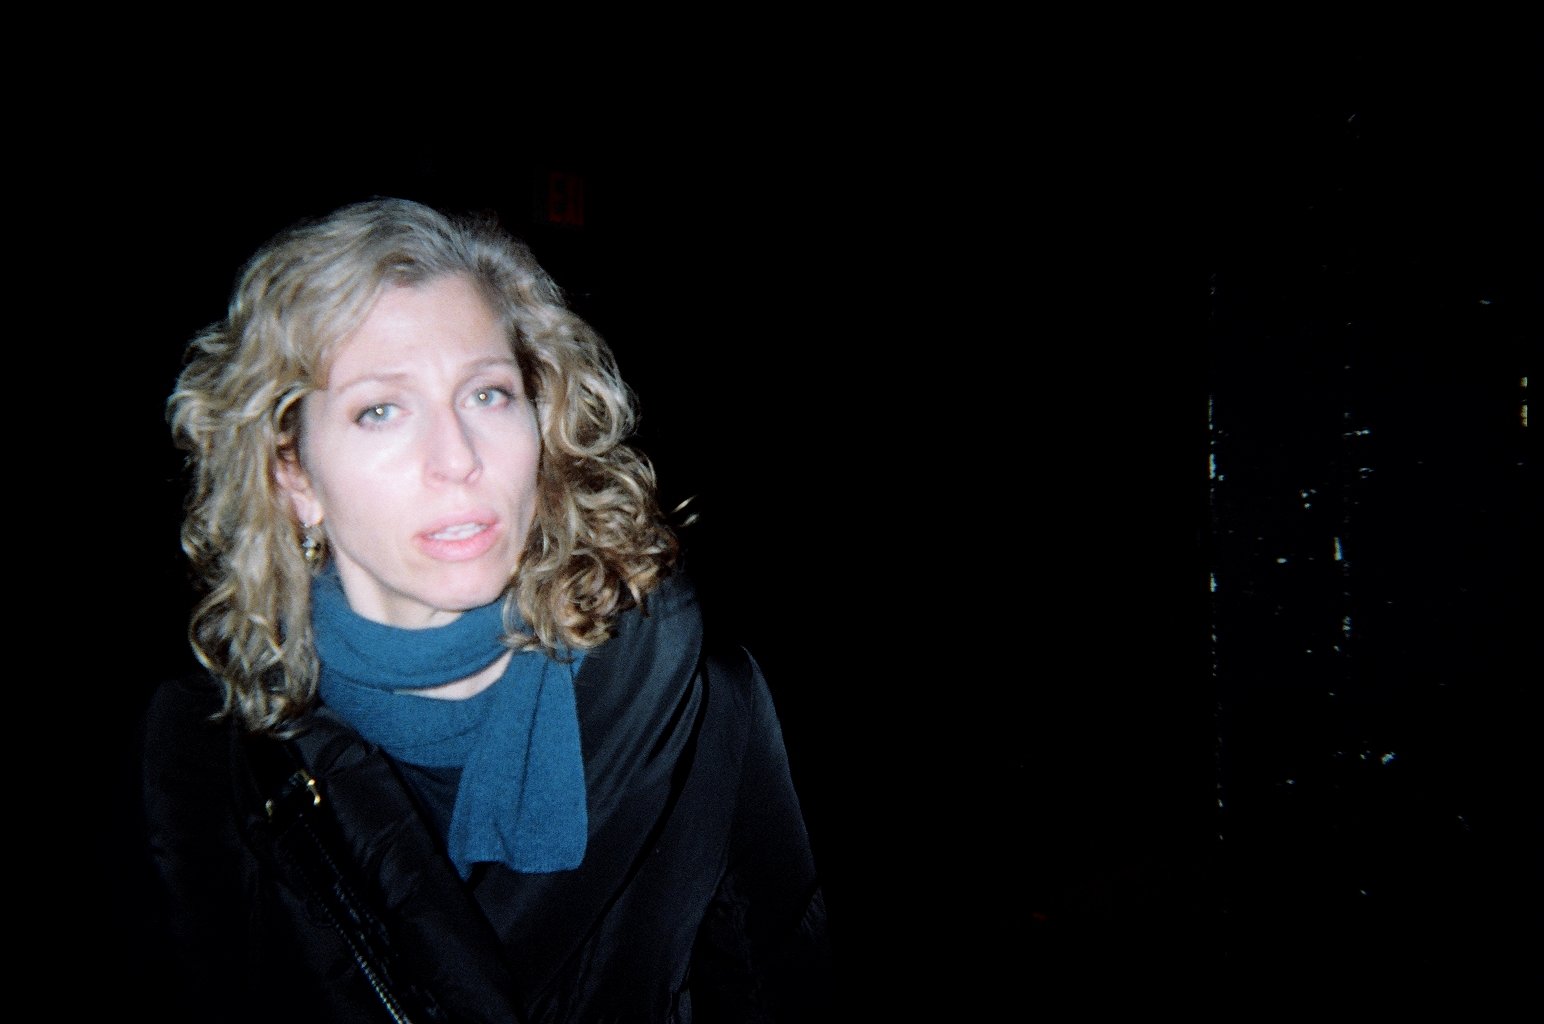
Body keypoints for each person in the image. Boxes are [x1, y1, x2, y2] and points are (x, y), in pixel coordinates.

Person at [143, 197, 829, 1023]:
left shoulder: (706, 708)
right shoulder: (207, 764)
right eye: (381, 410)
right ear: (293, 475)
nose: (457, 458)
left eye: (489, 395)